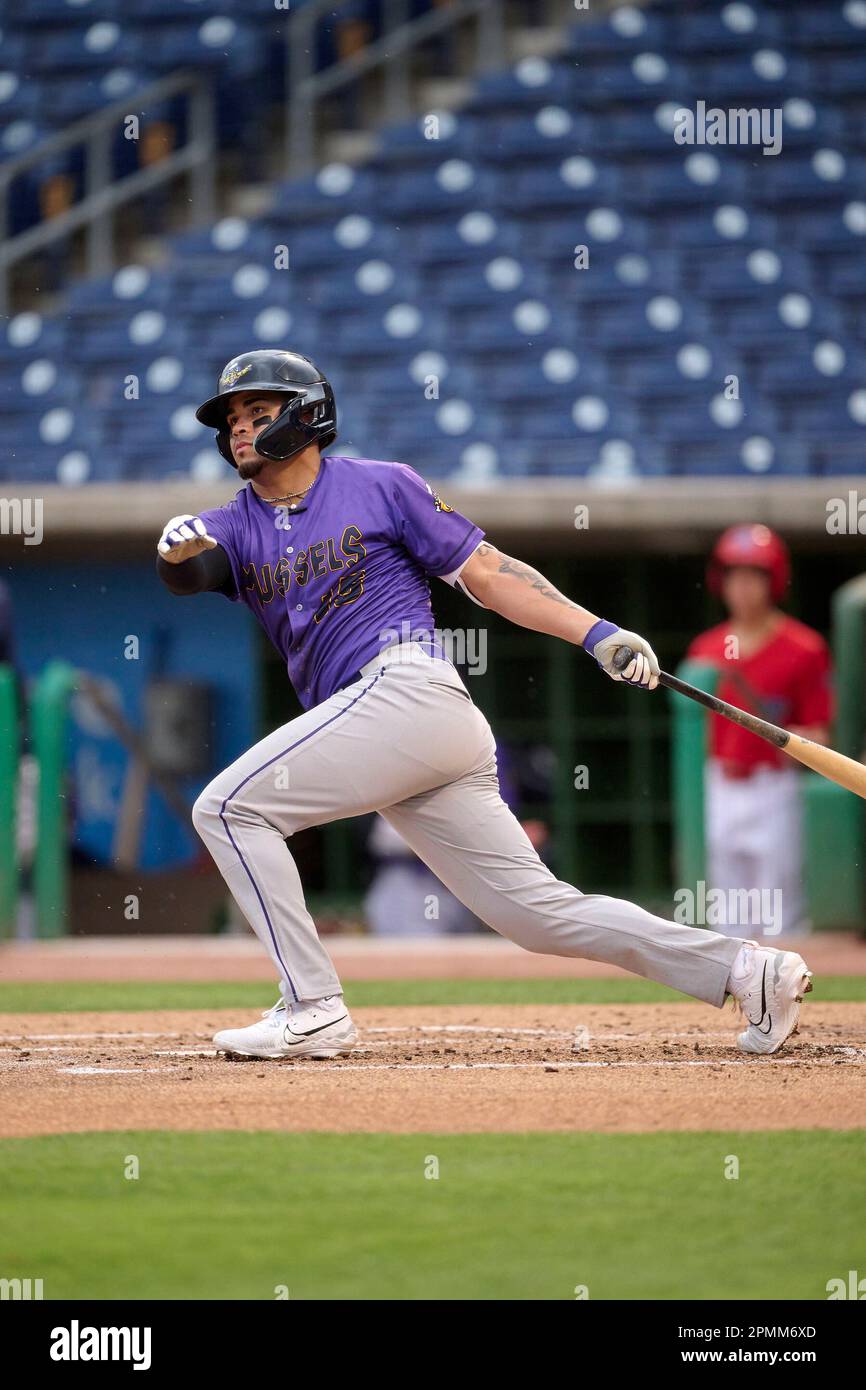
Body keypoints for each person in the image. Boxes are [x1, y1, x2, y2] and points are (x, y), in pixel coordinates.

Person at [156, 350, 813, 1060]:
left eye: (258, 412)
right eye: (231, 421)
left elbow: (490, 575)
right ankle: (752, 972)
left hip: (409, 692)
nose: (241, 430)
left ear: (306, 414)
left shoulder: (381, 486)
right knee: (538, 916)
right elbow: (195, 567)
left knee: (227, 808)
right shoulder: (238, 521)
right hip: (398, 733)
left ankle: (313, 1005)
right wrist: (171, 547)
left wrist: (597, 633)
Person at [687, 524, 833, 938]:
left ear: (774, 581)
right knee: (727, 914)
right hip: (720, 783)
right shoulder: (706, 649)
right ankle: (736, 994)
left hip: (775, 785)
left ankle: (785, 996)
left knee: (780, 908)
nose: (743, 587)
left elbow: (820, 733)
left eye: (754, 576)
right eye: (734, 575)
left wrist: (797, 738)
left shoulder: (804, 648)